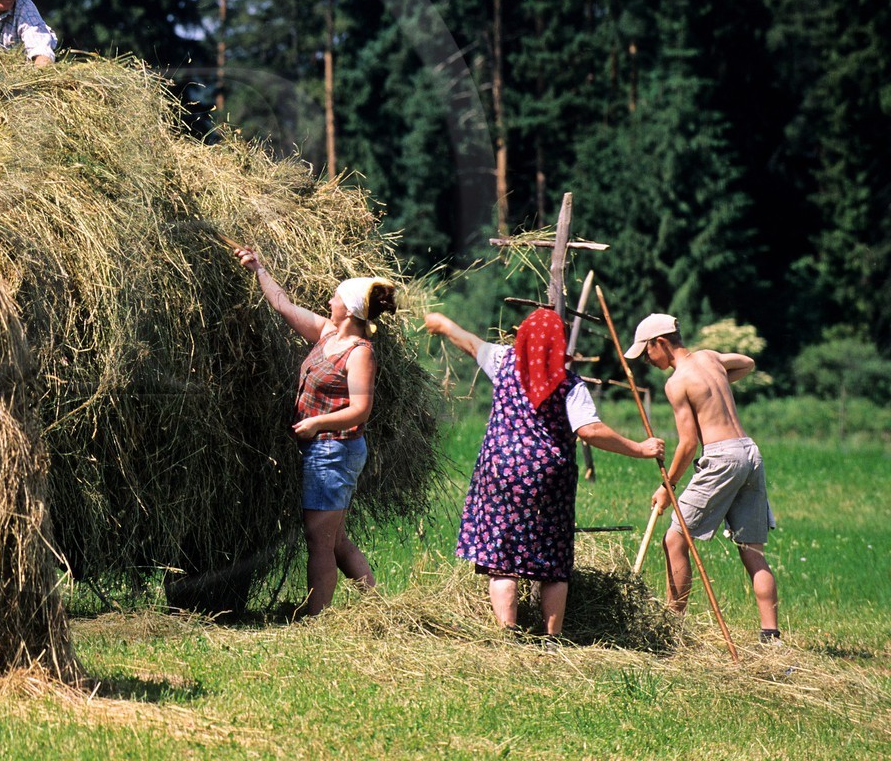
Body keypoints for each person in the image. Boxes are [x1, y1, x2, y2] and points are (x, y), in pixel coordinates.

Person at [426, 308, 665, 638]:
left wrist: (441, 324)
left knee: (501, 560)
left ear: (522, 336)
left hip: (500, 472)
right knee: (552, 561)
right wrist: (639, 448)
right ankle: (552, 637)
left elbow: (469, 342)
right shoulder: (568, 384)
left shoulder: (502, 361)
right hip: (548, 478)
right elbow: (590, 430)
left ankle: (508, 633)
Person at [235, 246, 395, 616]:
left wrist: (317, 422)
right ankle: (379, 607)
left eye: (336, 297)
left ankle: (315, 618)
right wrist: (258, 267)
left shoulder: (359, 352)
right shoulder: (326, 333)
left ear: (350, 309)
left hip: (334, 451)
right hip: (322, 448)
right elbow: (283, 306)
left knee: (318, 540)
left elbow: (361, 410)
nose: (329, 299)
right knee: (333, 538)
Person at [626, 313, 780, 643]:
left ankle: (672, 630)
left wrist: (668, 485)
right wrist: (714, 385)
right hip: (750, 451)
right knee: (752, 550)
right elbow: (747, 362)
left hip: (723, 457)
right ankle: (771, 635)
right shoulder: (710, 358)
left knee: (675, 538)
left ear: (660, 343)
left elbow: (688, 443)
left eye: (646, 352)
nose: (647, 361)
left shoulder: (676, 382)